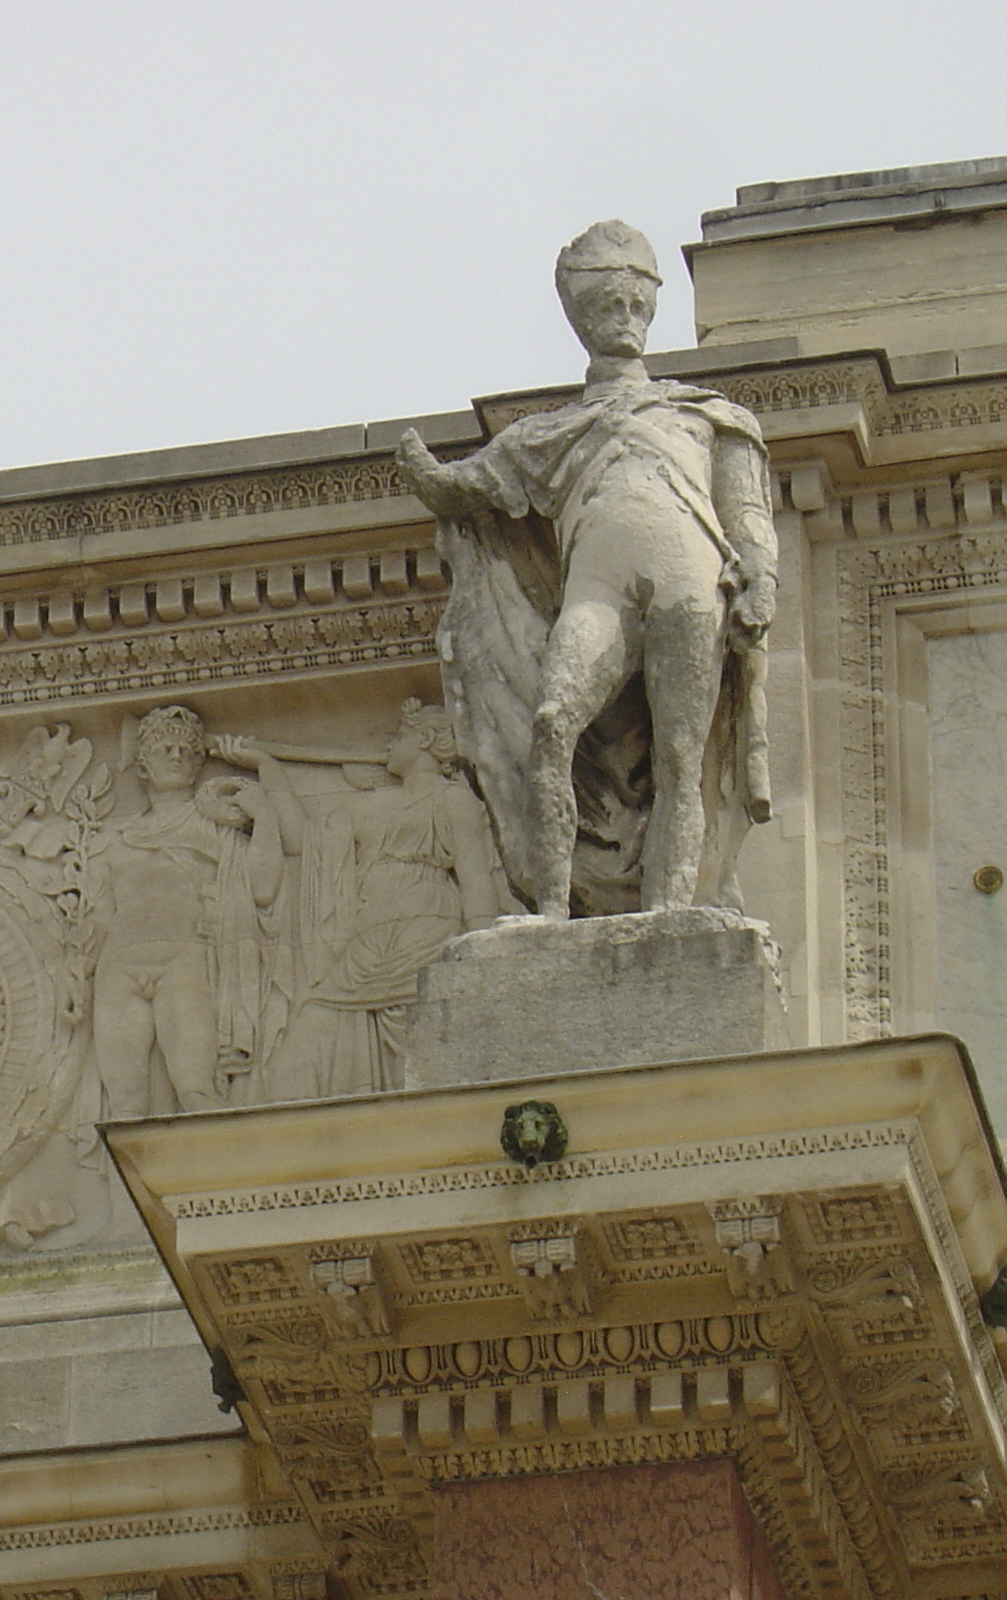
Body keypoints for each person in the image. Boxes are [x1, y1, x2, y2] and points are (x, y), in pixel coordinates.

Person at [395, 220, 775, 918]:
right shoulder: (548, 434)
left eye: (634, 306)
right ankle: (552, 911)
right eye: (607, 308)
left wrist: (761, 579)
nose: (623, 320)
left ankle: (668, 914)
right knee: (551, 722)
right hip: (599, 593)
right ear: (581, 318)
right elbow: (466, 488)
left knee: (681, 761)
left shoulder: (710, 416)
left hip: (691, 587)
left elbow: (747, 513)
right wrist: (422, 472)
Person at [276, 699, 503, 1096]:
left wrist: (482, 954)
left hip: (426, 933)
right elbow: (304, 842)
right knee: (309, 1027)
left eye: (398, 736)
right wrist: (268, 773)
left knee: (423, 1051)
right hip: (367, 943)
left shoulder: (453, 799)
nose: (388, 746)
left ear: (424, 739)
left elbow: (475, 879)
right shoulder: (372, 804)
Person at [91, 705, 283, 1117]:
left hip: (184, 963)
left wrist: (264, 813)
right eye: (164, 749)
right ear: (142, 766)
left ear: (200, 763)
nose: (176, 757)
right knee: (123, 1101)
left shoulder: (216, 823)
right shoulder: (113, 838)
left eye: (186, 751)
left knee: (196, 1091)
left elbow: (264, 886)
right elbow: (99, 918)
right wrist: (75, 975)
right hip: (117, 967)